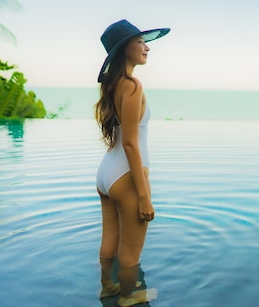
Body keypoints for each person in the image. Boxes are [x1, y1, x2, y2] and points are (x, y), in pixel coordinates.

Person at [94, 19, 170, 306]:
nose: (146, 47)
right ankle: (129, 296)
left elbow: (120, 140)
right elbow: (130, 143)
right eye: (140, 42)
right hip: (126, 175)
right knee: (130, 255)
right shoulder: (133, 85)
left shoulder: (113, 86)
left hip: (106, 174)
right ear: (124, 48)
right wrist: (144, 196)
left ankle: (108, 288)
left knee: (110, 241)